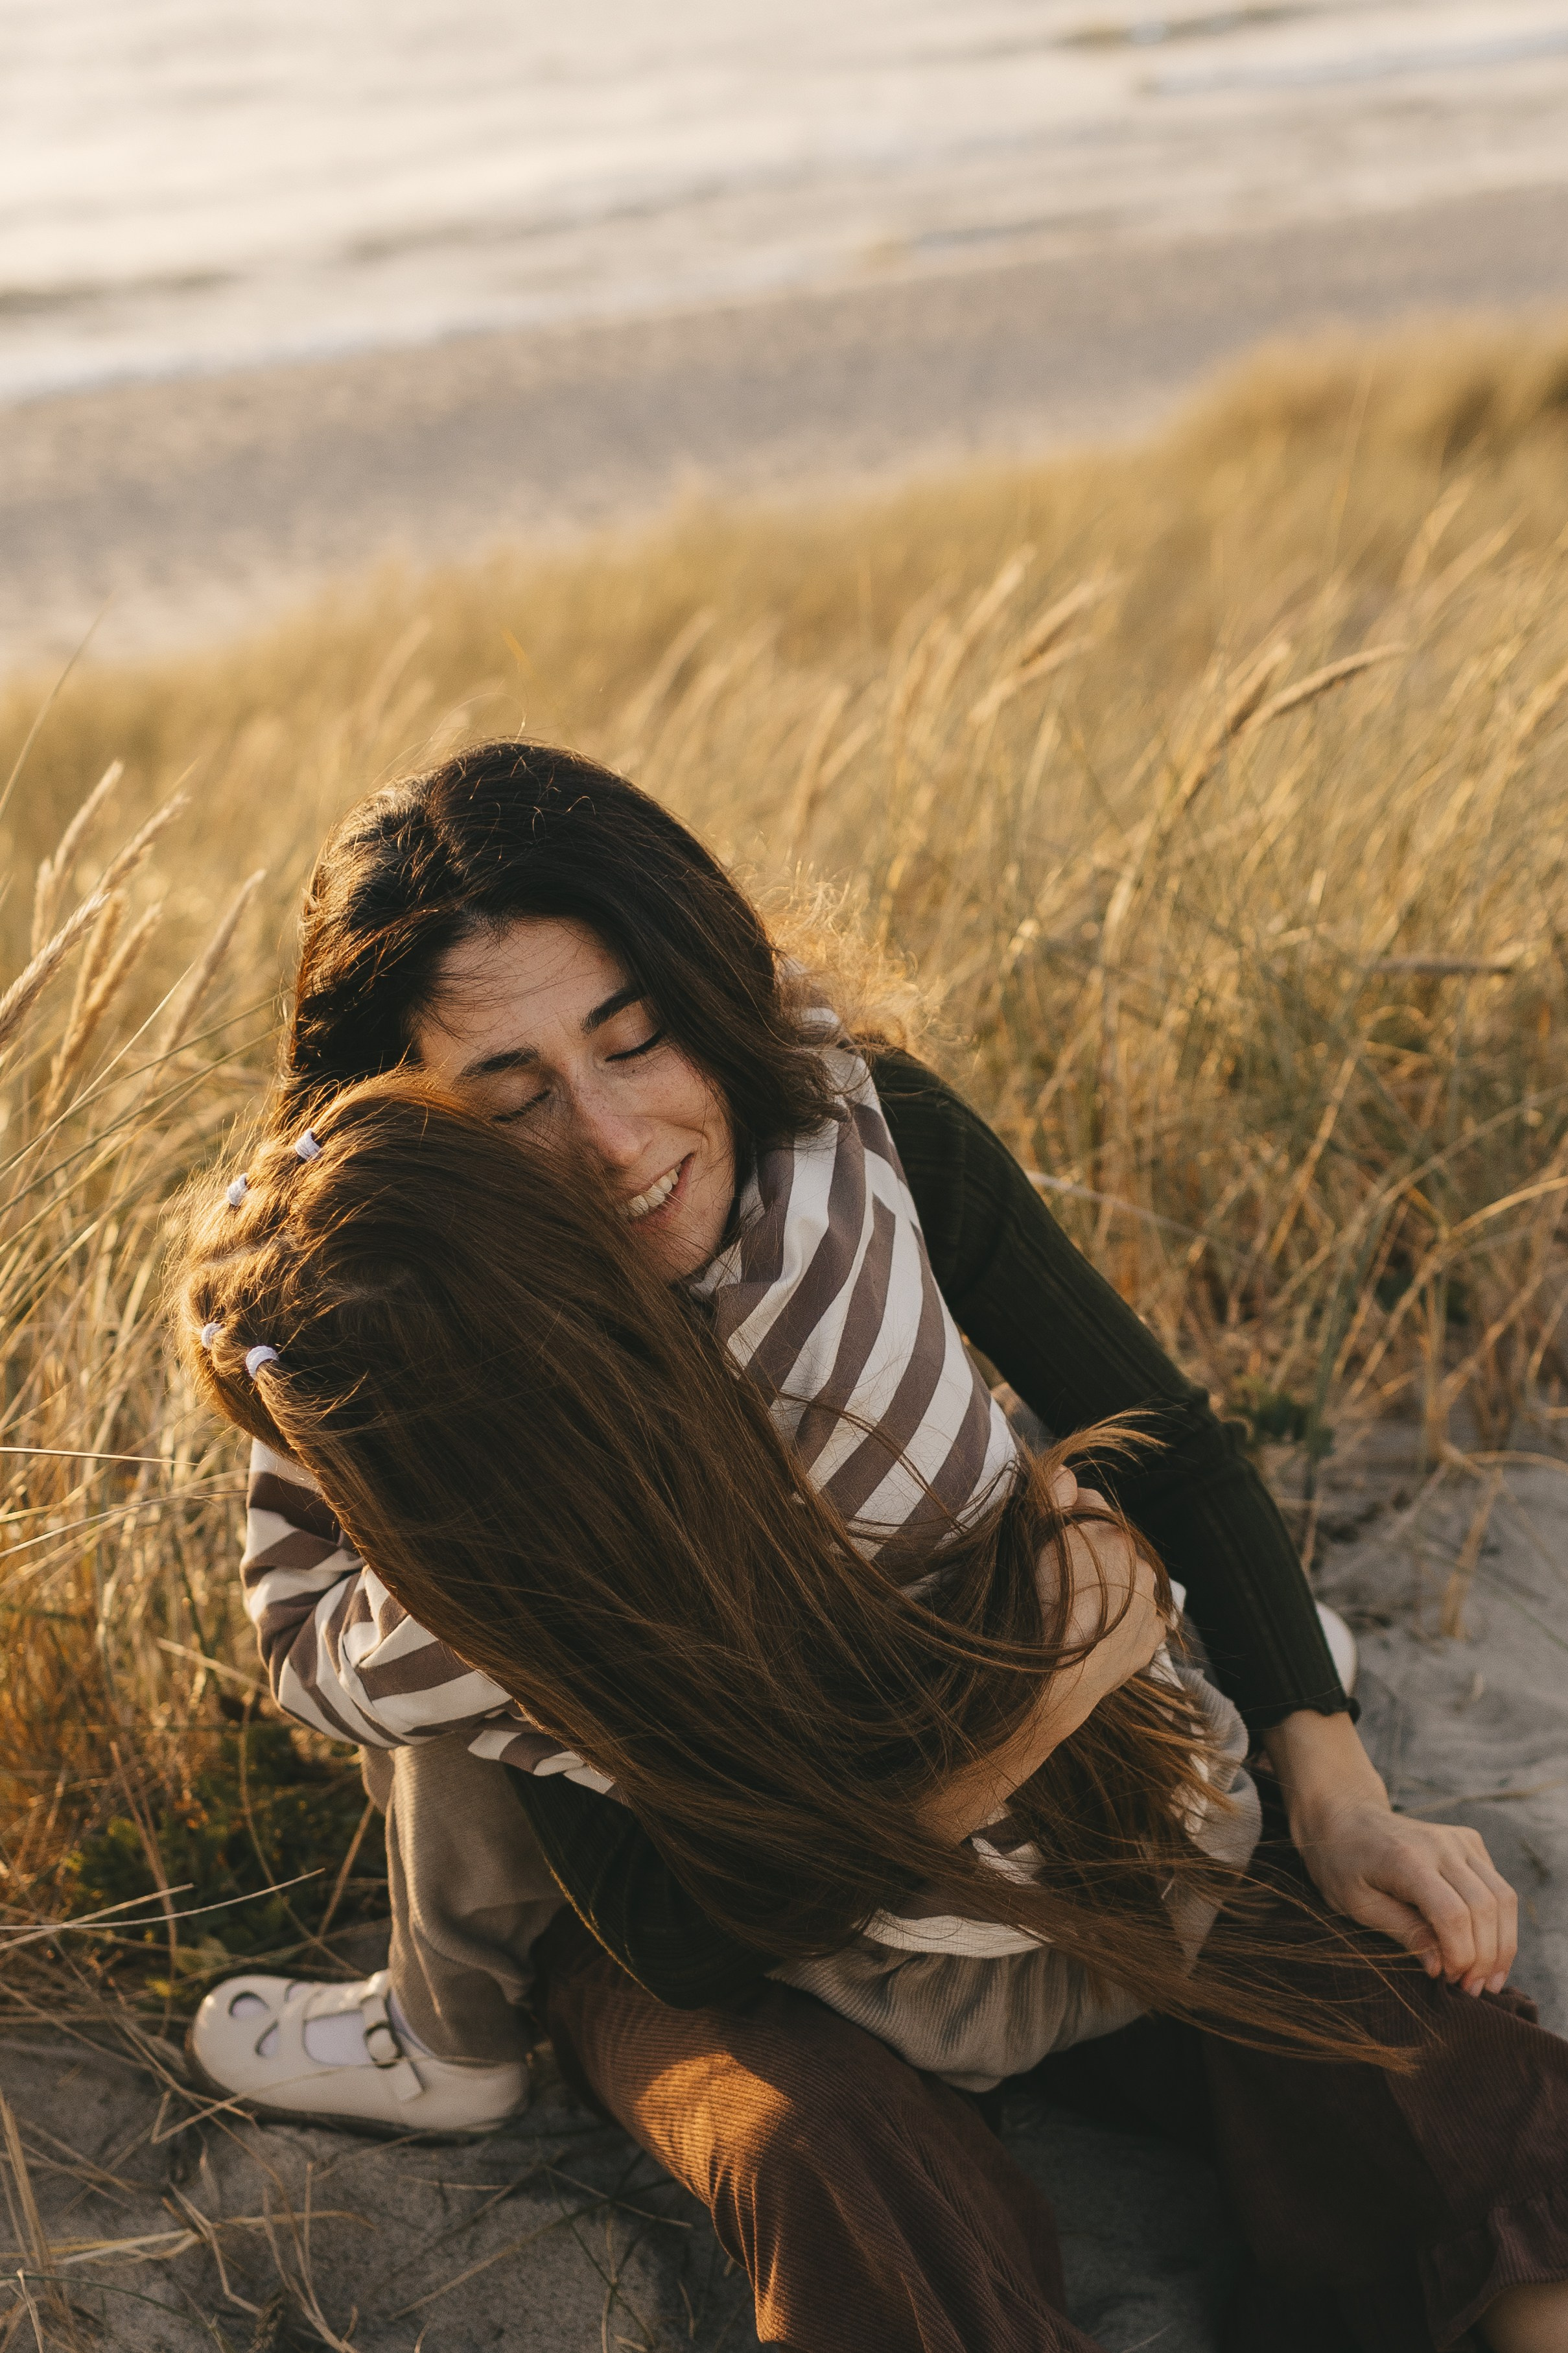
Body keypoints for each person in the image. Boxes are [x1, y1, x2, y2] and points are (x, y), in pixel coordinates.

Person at [180, 744, 1567, 2350]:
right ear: (406, 1139)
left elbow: (1169, 1446)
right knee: (825, 2166)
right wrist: (1034, 1701)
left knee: (1396, 2049)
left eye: (637, 1043)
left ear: (708, 995)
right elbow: (681, 1930)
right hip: (714, 1920)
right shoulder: (426, 1398)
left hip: (1030, 1851)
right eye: (514, 1098)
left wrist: (1336, 1800)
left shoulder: (860, 1153)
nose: (622, 1144)